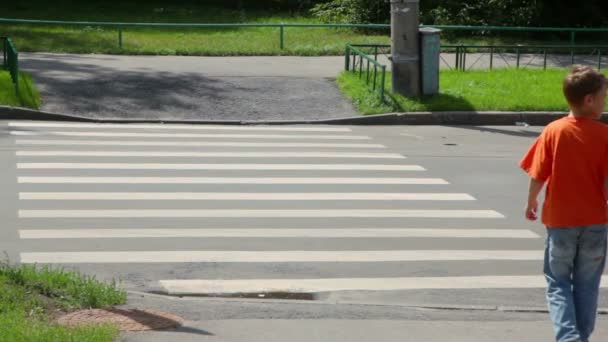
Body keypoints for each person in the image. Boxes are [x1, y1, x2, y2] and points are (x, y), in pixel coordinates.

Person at [520, 65, 608, 342]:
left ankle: (569, 337)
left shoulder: (553, 131)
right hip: (595, 221)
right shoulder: (605, 135)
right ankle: (579, 337)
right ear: (589, 100)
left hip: (560, 221)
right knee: (587, 285)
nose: (606, 101)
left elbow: (538, 173)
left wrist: (531, 201)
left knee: (558, 283)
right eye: (604, 95)